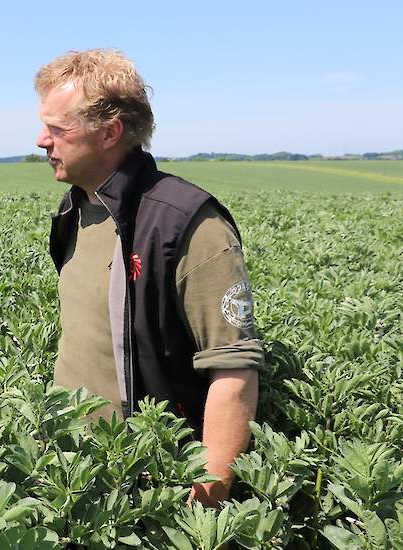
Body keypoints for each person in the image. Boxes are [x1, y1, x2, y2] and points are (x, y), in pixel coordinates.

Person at [35, 49, 263, 506]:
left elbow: (234, 370)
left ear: (110, 132)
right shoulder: (75, 210)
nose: (42, 141)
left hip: (148, 482)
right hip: (71, 472)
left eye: (58, 129)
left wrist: (202, 503)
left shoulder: (186, 223)